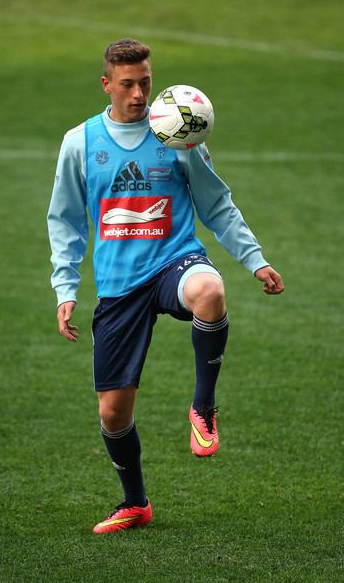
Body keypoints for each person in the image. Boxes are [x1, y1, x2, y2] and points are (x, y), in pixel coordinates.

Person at [47, 38, 284, 534]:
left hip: (176, 262)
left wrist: (254, 260)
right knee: (113, 413)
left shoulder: (179, 132)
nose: (138, 94)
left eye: (146, 83)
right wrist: (65, 288)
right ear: (106, 83)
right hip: (118, 286)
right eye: (128, 84)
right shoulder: (81, 142)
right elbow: (65, 221)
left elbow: (216, 204)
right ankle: (135, 503)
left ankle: (203, 405)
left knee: (211, 293)